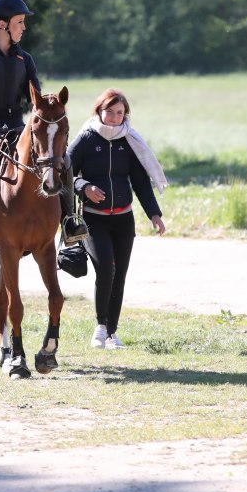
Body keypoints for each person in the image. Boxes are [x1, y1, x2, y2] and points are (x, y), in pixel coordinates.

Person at [0, 0, 88, 252]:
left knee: (64, 161)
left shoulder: (25, 58)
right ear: (2, 24)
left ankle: (70, 220)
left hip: (16, 127)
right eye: (20, 22)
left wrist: (52, 105)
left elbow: (36, 99)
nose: (24, 27)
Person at [68, 88, 167, 350]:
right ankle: (100, 328)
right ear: (99, 112)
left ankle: (112, 333)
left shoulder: (130, 141)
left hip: (124, 219)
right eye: (109, 112)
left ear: (126, 114)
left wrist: (154, 214)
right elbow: (65, 173)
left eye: (119, 113)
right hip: (93, 219)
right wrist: (84, 187)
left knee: (119, 274)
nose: (114, 117)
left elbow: (140, 182)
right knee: (106, 269)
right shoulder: (85, 139)